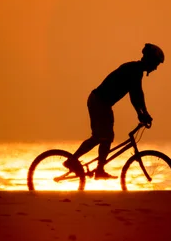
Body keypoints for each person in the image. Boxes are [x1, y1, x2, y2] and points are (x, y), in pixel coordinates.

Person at [64, 43, 165, 179]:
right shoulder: (134, 70)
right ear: (150, 60)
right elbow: (135, 96)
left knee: (103, 137)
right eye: (156, 64)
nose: (156, 68)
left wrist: (143, 112)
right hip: (99, 102)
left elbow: (138, 95)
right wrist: (142, 113)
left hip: (103, 103)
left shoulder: (136, 70)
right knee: (103, 136)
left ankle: (96, 168)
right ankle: (76, 162)